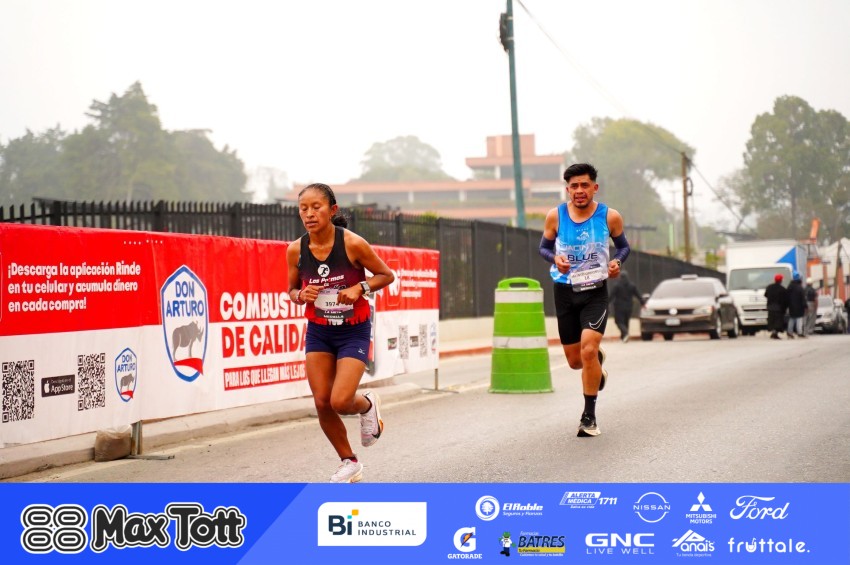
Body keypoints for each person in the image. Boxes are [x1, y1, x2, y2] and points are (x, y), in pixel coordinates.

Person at [287, 183, 395, 483]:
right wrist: (301, 295)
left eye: (316, 207)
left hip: (353, 330)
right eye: (303, 209)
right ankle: (349, 462)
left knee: (341, 401)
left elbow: (386, 275)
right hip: (319, 331)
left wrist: (360, 287)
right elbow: (291, 290)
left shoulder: (353, 244)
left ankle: (367, 405)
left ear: (332, 210)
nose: (309, 214)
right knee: (322, 401)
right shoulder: (295, 250)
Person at [539, 163, 630, 438]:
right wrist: (555, 258)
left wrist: (616, 262)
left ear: (594, 188)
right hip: (564, 291)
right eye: (574, 186)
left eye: (584, 185)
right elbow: (543, 247)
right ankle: (596, 363)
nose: (579, 190)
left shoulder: (610, 216)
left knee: (588, 350)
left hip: (595, 291)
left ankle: (588, 417)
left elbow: (623, 247)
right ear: (568, 189)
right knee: (575, 361)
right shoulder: (555, 216)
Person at [608, 270, 644, 342]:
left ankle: (625, 333)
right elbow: (638, 295)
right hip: (629, 307)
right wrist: (643, 303)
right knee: (626, 322)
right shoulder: (632, 286)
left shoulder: (617, 286)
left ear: (620, 277)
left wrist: (606, 303)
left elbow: (611, 296)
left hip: (619, 307)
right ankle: (624, 337)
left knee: (618, 321)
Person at [764, 273, 789, 339]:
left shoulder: (769, 287)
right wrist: (785, 307)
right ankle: (775, 333)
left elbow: (765, 295)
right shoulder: (782, 289)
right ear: (781, 280)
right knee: (778, 322)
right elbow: (785, 299)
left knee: (771, 320)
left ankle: (773, 332)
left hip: (770, 307)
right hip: (779, 308)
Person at [786, 273, 807, 338]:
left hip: (791, 306)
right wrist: (805, 306)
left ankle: (789, 332)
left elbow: (786, 296)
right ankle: (799, 332)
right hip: (799, 306)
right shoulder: (800, 287)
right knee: (799, 319)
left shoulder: (789, 287)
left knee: (792, 319)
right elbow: (803, 298)